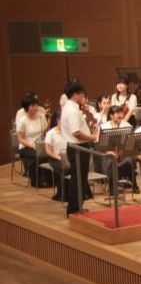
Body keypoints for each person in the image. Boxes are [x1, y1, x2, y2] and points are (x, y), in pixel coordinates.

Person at [60, 82, 99, 214]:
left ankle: (77, 207)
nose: (84, 97)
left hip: (78, 147)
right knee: (78, 179)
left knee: (80, 179)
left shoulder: (72, 108)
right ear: (75, 95)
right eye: (82, 94)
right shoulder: (71, 110)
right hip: (78, 148)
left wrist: (87, 112)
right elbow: (76, 132)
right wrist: (91, 138)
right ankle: (74, 209)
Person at [16, 93, 48, 187]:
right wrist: (32, 145)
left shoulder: (41, 117)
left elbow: (45, 132)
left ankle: (49, 179)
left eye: (36, 104)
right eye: (33, 105)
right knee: (36, 155)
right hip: (26, 146)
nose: (36, 107)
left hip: (40, 145)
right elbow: (20, 139)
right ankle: (36, 181)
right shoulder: (23, 120)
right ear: (27, 107)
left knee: (50, 153)